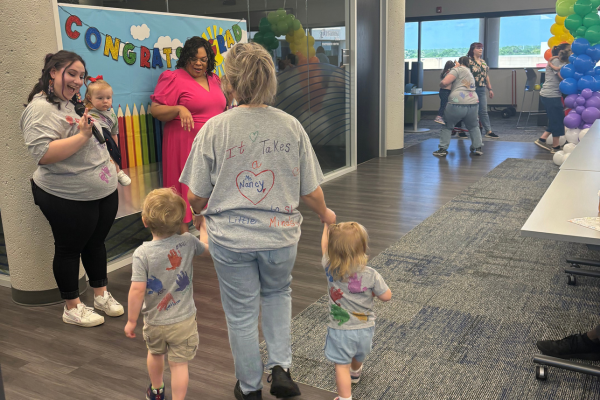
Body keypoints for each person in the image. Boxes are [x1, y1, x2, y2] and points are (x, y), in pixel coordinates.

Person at [180, 42, 337, 400]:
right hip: (281, 238)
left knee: (240, 312)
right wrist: (326, 215)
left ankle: (249, 387)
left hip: (231, 240)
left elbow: (195, 197)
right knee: (279, 294)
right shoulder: (291, 126)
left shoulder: (215, 129)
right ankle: (280, 368)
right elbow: (310, 190)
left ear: (228, 83)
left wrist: (205, 208)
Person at [21, 51, 123, 327]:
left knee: (96, 243)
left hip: (100, 191)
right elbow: (43, 153)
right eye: (72, 73)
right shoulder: (40, 108)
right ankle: (72, 307)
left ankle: (100, 295)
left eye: (81, 75)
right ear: (53, 72)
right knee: (69, 249)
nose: (78, 81)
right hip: (66, 195)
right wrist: (81, 137)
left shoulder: (71, 102)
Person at [125, 188, 210, 400]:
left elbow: (137, 290)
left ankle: (156, 390)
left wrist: (131, 320)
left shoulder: (142, 253)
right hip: (183, 320)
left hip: (154, 321)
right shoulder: (188, 242)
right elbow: (207, 248)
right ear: (181, 220)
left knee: (154, 354)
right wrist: (204, 226)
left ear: (145, 221)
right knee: (179, 364)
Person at [150, 36, 226, 234]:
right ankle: (183, 237)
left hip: (213, 144)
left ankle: (210, 235)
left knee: (212, 187)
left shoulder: (214, 79)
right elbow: (156, 110)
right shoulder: (173, 78)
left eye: (203, 59)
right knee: (184, 188)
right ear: (185, 58)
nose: (199, 63)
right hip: (184, 142)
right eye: (194, 58)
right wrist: (178, 109)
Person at [320, 222, 391, 400]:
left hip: (340, 329)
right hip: (365, 327)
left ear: (331, 250)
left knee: (340, 366)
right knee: (360, 353)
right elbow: (387, 296)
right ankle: (356, 371)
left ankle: (345, 398)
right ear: (364, 248)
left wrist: (326, 226)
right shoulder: (371, 274)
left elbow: (324, 247)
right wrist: (373, 291)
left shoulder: (330, 267)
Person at [84, 75, 131, 186]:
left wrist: (116, 148)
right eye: (100, 98)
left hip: (107, 141)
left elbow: (114, 134)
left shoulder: (112, 115)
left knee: (110, 148)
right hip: (92, 141)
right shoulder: (87, 112)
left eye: (108, 98)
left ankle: (117, 170)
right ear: (90, 98)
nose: (105, 101)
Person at [433, 56, 484, 157]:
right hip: (473, 101)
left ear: (459, 63)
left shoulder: (456, 70)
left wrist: (442, 85)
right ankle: (477, 147)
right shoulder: (470, 72)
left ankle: (442, 149)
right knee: (474, 126)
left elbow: (444, 82)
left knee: (447, 126)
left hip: (456, 102)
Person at [534, 43, 572, 153]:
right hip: (550, 95)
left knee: (557, 118)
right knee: (558, 119)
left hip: (552, 95)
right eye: (569, 50)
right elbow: (562, 77)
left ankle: (542, 139)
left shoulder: (558, 61)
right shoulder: (556, 62)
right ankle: (555, 147)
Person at [467, 42, 499, 138]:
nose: (481, 50)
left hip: (481, 88)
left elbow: (486, 76)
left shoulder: (483, 62)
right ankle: (473, 130)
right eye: (478, 48)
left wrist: (490, 89)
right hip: (471, 89)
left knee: (483, 110)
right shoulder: (469, 62)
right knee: (472, 111)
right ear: (473, 49)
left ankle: (488, 131)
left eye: (481, 48)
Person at [435, 60, 456, 125]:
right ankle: (439, 116)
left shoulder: (444, 72)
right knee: (444, 105)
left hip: (442, 91)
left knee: (444, 104)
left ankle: (444, 117)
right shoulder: (449, 73)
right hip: (446, 91)